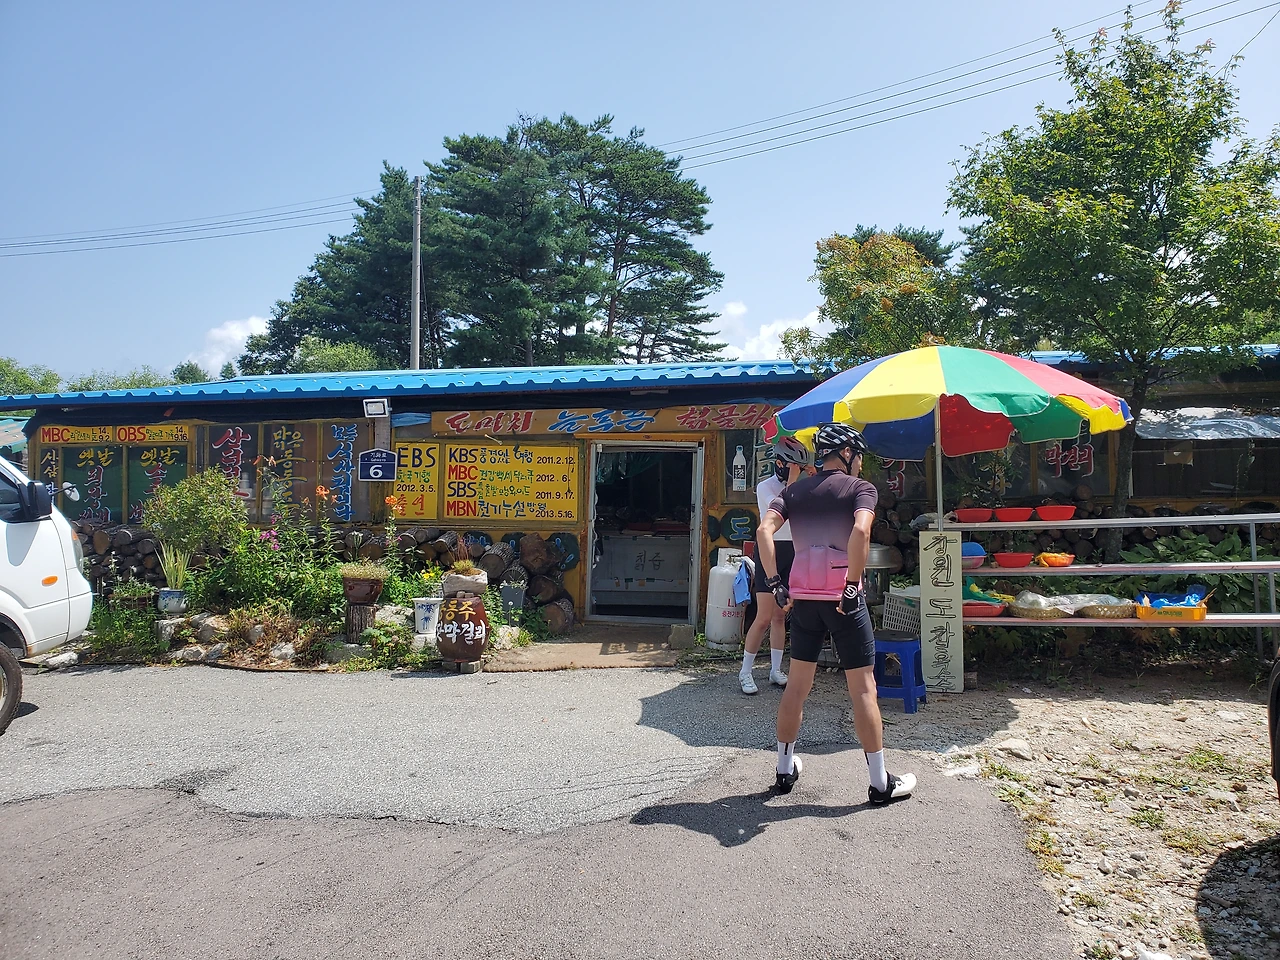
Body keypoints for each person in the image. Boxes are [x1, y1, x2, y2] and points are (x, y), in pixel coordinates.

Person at [756, 422, 917, 806]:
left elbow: (764, 531)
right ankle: (879, 783)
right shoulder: (860, 489)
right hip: (844, 600)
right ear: (846, 453)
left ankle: (784, 770)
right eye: (858, 455)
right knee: (863, 688)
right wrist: (851, 583)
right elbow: (861, 533)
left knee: (797, 686)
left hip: (804, 599)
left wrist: (776, 583)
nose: (860, 462)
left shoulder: (793, 491)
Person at [739, 438, 811, 695]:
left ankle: (776, 669)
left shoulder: (800, 486)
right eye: (793, 466)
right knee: (764, 617)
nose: (796, 471)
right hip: (770, 551)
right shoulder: (765, 486)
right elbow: (781, 508)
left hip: (794, 549)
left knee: (781, 616)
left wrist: (811, 478)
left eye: (799, 467)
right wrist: (793, 481)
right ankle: (745, 672)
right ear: (779, 463)